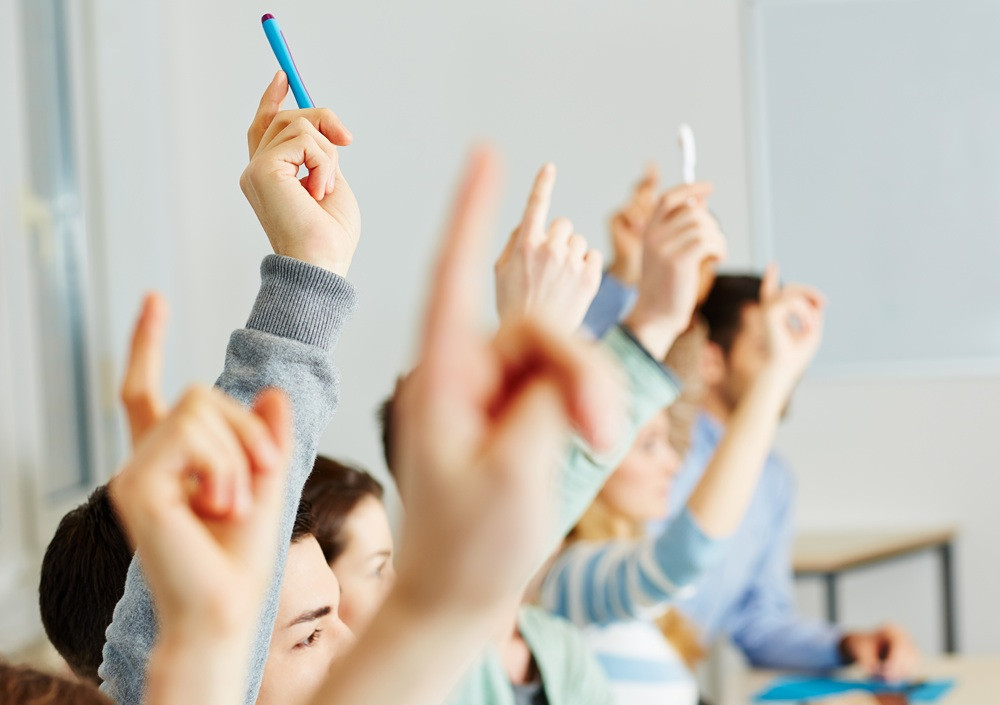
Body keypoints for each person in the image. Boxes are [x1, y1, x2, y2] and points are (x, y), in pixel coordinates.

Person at [581, 169, 921, 682]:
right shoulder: (648, 446)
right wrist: (628, 275)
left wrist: (847, 643)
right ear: (713, 361)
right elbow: (586, 384)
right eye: (765, 349)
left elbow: (759, 625)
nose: (666, 463)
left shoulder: (773, 481)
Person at [541, 262, 828, 704]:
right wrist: (775, 375)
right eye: (650, 445)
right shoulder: (571, 579)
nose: (675, 464)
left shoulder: (623, 608)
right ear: (591, 461)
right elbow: (688, 550)